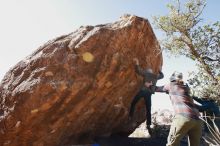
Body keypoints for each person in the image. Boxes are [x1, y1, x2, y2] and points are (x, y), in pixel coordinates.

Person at [153, 71, 203, 146]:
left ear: (172, 78)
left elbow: (156, 88)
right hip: (198, 121)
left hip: (184, 117)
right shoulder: (186, 88)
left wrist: (149, 85)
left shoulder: (171, 85)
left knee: (172, 143)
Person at [129, 58, 164, 134]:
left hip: (143, 91)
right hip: (149, 93)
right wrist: (159, 71)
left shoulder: (146, 73)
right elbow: (162, 76)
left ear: (147, 71)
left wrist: (137, 63)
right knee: (148, 109)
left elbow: (139, 71)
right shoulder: (155, 76)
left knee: (134, 102)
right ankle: (148, 124)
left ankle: (130, 116)